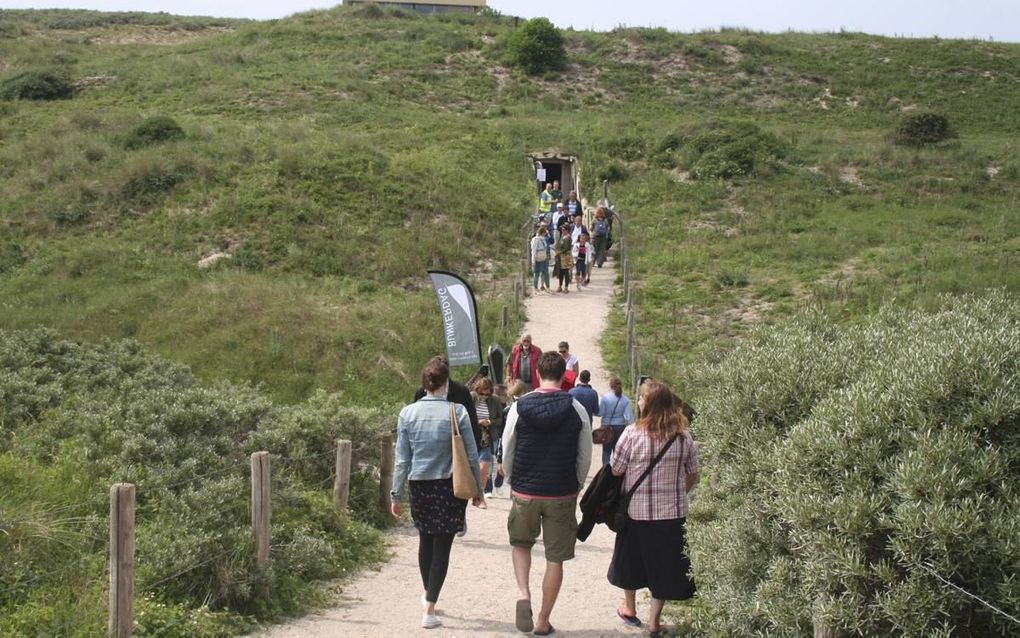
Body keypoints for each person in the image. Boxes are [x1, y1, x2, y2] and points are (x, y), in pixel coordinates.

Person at [501, 352, 593, 635]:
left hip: (525, 490)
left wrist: (512, 478)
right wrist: (576, 484)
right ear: (565, 375)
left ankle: (523, 594)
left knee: (520, 543)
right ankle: (542, 621)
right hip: (561, 491)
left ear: (538, 374)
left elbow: (507, 448)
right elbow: (585, 455)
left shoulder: (519, 408)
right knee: (556, 558)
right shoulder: (576, 408)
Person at [391, 357, 487, 629]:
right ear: (445, 384)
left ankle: (427, 594)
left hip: (419, 485)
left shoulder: (407, 413)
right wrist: (478, 491)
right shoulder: (458, 411)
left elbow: (402, 460)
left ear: (425, 385)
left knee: (425, 541)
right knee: (443, 546)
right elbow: (470, 454)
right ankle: (430, 608)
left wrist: (395, 495)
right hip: (448, 487)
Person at [607, 380, 699, 635]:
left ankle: (629, 607)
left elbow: (616, 468)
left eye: (640, 398)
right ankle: (655, 622)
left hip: (636, 512)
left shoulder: (632, 433)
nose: (637, 401)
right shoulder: (683, 437)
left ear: (648, 404)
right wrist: (680, 492)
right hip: (673, 513)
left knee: (630, 562)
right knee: (664, 567)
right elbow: (693, 473)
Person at [472, 377, 504, 498]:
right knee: (479, 462)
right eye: (482, 393)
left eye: (488, 393)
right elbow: (466, 416)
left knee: (487, 461)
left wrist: (489, 422)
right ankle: (480, 488)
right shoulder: (472, 397)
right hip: (475, 434)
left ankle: (487, 488)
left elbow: (500, 419)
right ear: (478, 390)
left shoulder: (495, 400)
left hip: (490, 435)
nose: (485, 395)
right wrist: (478, 422)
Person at [598, 377, 634, 465]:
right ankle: (615, 471)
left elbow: (600, 413)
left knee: (606, 451)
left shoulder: (605, 398)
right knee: (617, 450)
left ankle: (605, 472)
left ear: (610, 385)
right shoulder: (625, 400)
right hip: (620, 427)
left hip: (606, 426)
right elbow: (629, 417)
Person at [531, 226, 551, 292]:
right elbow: (533, 250)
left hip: (544, 258)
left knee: (546, 273)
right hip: (538, 258)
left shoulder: (543, 239)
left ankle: (548, 287)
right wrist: (533, 260)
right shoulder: (535, 239)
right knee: (536, 273)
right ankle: (535, 288)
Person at [553, 224, 573, 293]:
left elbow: (566, 248)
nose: (562, 231)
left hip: (566, 257)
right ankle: (560, 286)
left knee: (566, 272)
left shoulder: (568, 238)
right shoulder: (562, 237)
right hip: (561, 256)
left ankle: (566, 287)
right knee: (560, 272)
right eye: (562, 230)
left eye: (564, 230)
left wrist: (559, 252)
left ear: (567, 230)